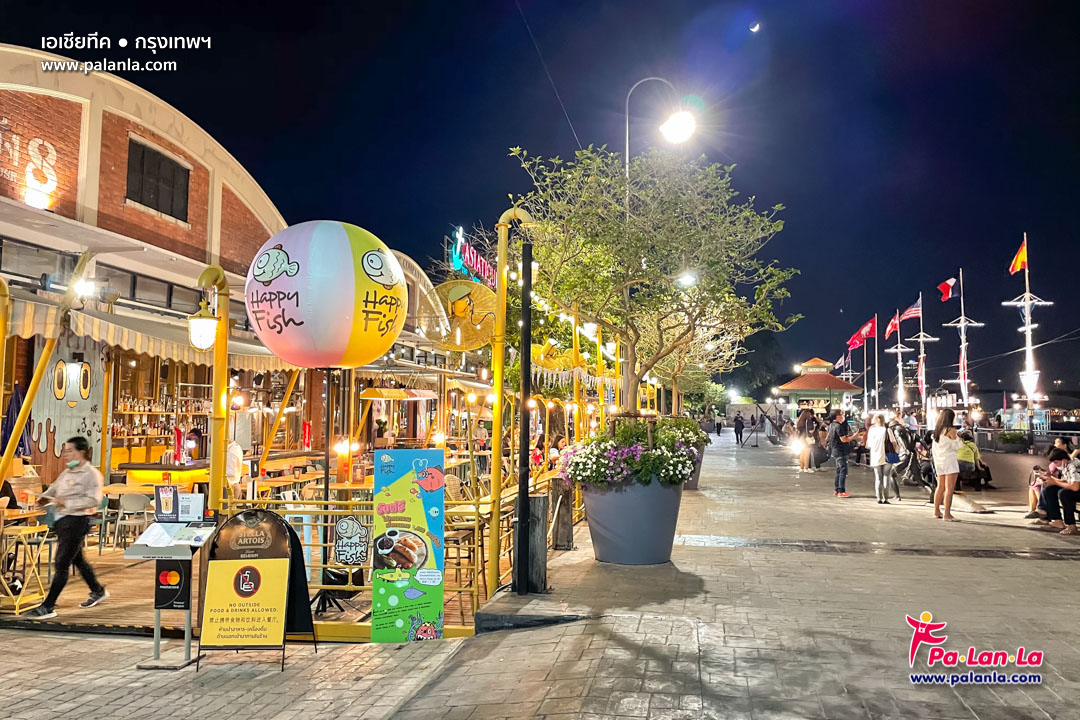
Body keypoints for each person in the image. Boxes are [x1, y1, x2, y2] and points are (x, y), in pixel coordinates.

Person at [25, 437, 107, 619]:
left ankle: (48, 606)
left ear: (81, 452)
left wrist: (68, 502)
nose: (66, 455)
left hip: (78, 520)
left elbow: (94, 500)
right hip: (62, 520)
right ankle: (97, 590)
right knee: (76, 558)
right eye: (65, 451)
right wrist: (43, 498)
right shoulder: (68, 472)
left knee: (61, 562)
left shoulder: (91, 474)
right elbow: (55, 488)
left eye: (70, 451)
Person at [931, 409, 963, 522]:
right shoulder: (951, 430)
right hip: (949, 461)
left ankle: (936, 511)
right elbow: (957, 446)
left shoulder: (937, 431)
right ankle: (947, 514)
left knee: (940, 487)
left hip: (939, 461)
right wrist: (960, 439)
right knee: (949, 488)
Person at [1040, 455, 1080, 535]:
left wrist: (1055, 482)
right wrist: (1050, 478)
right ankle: (1057, 520)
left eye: (1056, 462)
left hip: (1077, 488)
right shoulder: (1066, 465)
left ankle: (1071, 525)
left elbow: (1075, 487)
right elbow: (1066, 481)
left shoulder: (1073, 465)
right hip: (1075, 486)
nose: (1055, 465)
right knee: (1049, 490)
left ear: (1064, 460)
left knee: (1064, 493)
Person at [826, 410, 856, 498]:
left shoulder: (832, 425)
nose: (843, 416)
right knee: (843, 470)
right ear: (837, 416)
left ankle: (837, 489)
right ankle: (841, 491)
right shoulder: (839, 426)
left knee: (839, 470)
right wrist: (855, 436)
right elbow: (844, 439)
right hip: (841, 450)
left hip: (835, 450)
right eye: (842, 415)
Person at [867, 414, 891, 504]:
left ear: (877, 419)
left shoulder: (872, 430)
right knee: (886, 477)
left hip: (876, 456)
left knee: (878, 478)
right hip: (888, 456)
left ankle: (879, 498)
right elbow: (894, 442)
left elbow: (869, 445)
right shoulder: (888, 430)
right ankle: (886, 498)